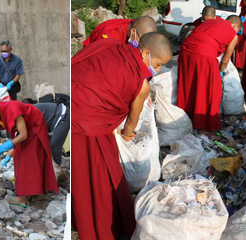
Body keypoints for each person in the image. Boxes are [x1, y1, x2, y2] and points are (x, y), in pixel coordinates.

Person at [71, 32, 173, 239]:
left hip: (72, 103)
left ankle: (76, 216)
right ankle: (99, 227)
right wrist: (127, 136)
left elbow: (78, 62)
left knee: (78, 173)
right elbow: (131, 123)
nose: (158, 69)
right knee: (100, 177)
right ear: (146, 53)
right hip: (88, 122)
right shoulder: (141, 84)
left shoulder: (109, 45)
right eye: (159, 64)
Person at [0, 97, 59, 207]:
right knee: (21, 157)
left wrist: (5, 146)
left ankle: (22, 198)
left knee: (26, 159)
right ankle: (34, 190)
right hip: (24, 130)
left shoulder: (12, 109)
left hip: (34, 125)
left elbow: (23, 135)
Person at [177, 16, 242, 133]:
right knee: (210, 90)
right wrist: (219, 72)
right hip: (204, 54)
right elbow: (225, 61)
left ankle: (185, 117)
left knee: (188, 84)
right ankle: (203, 126)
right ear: (235, 26)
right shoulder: (233, 34)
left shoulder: (212, 21)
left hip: (185, 50)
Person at [21, 100, 69, 166]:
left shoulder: (29, 114)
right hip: (53, 122)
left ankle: (57, 169)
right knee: (46, 147)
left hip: (62, 114)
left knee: (54, 145)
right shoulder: (23, 118)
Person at [82, 16, 157, 47]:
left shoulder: (135, 26)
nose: (142, 44)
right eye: (141, 40)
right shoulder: (109, 37)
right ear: (133, 31)